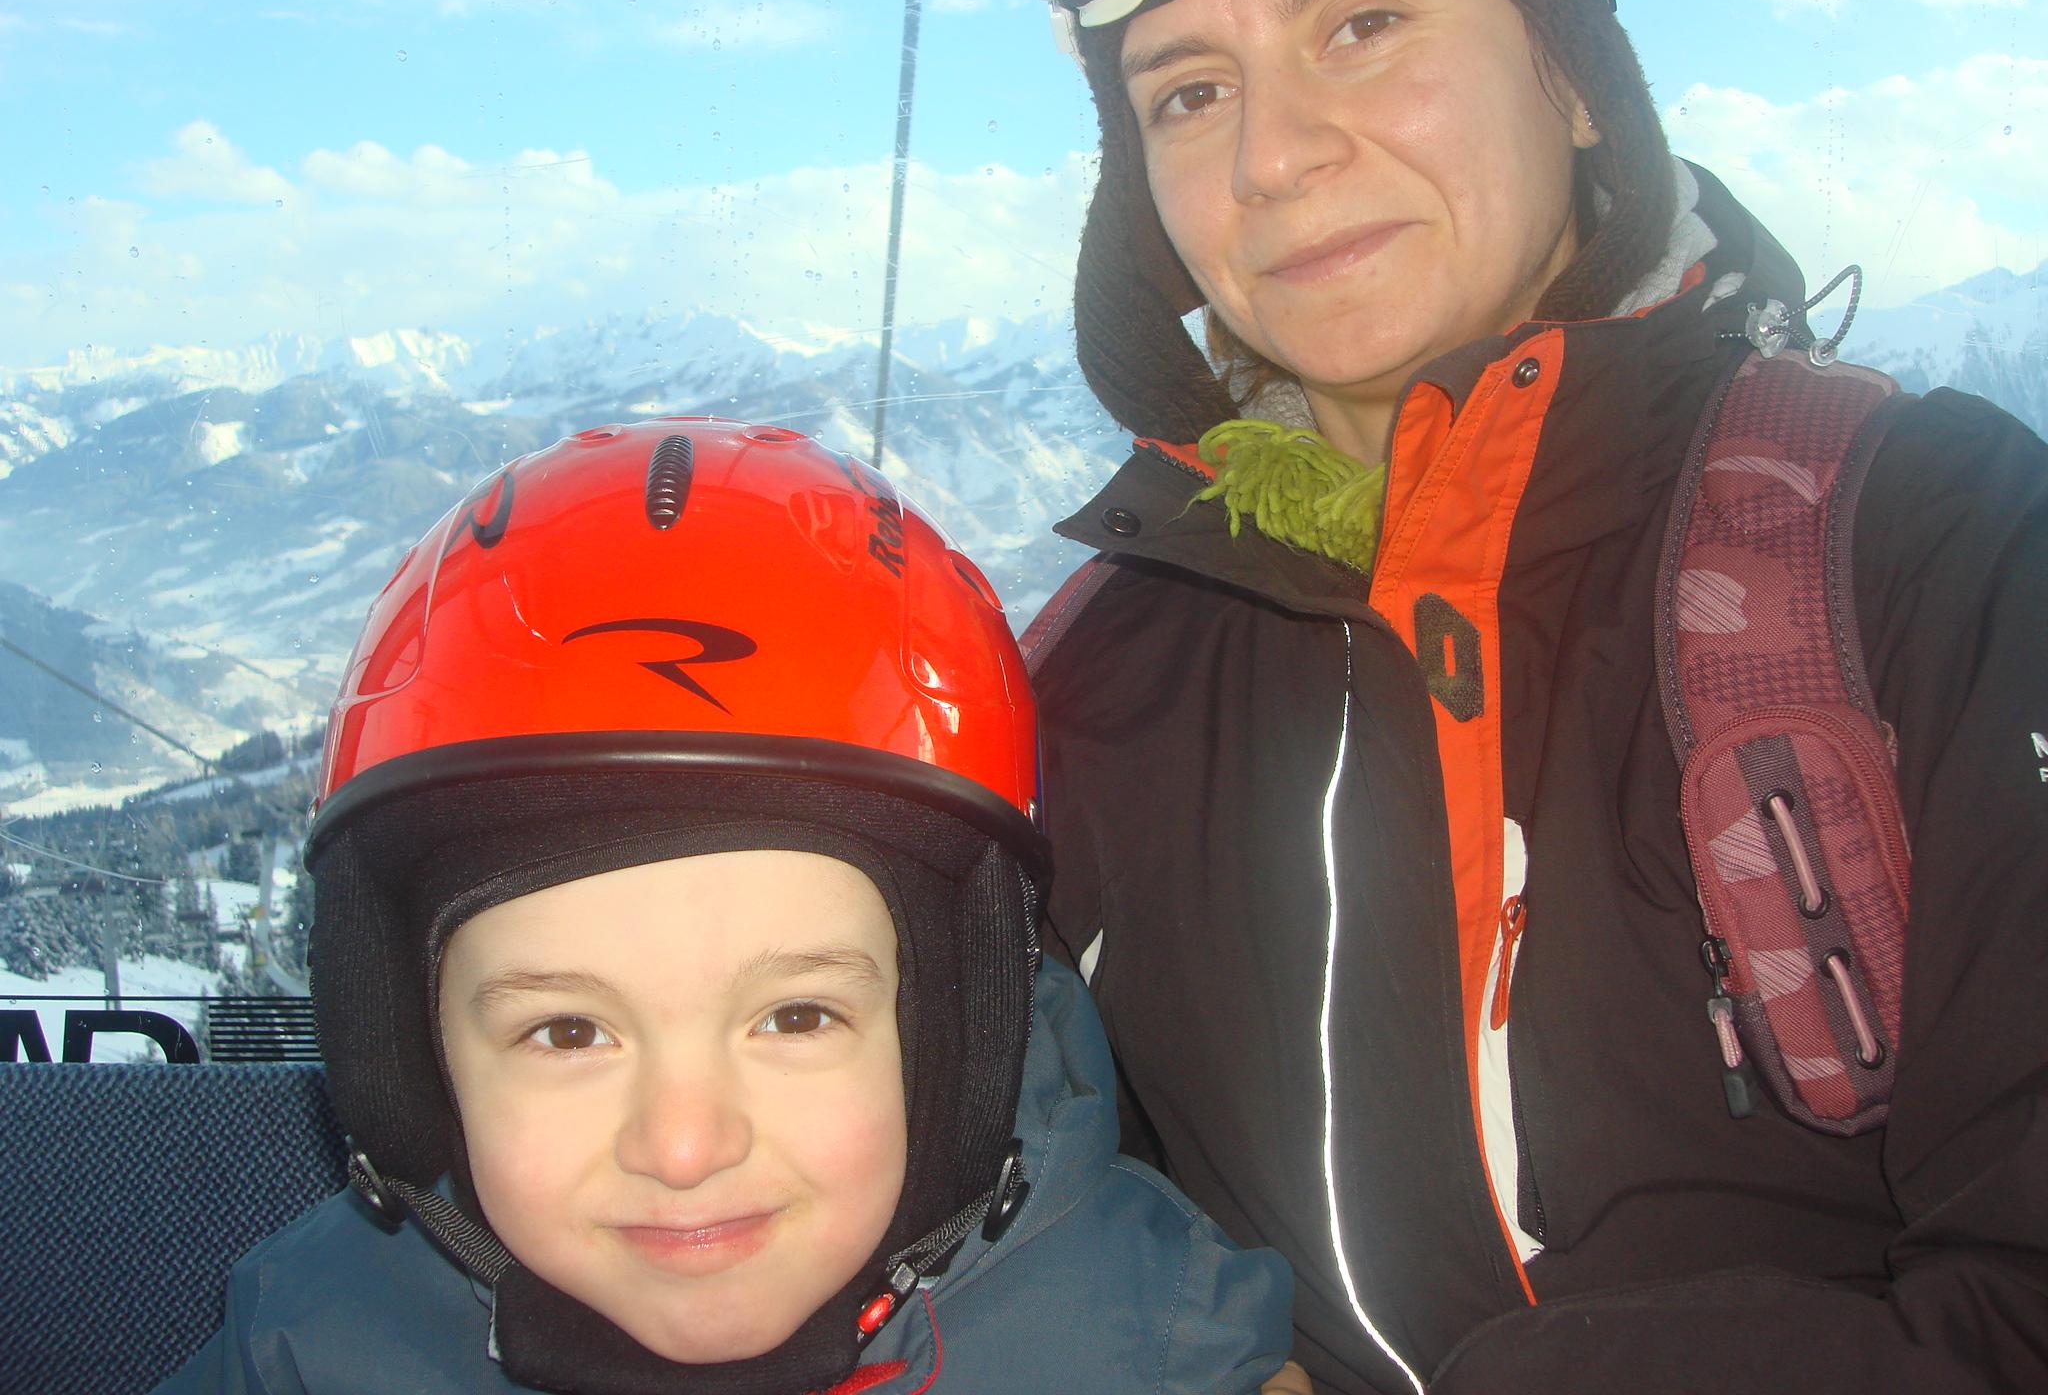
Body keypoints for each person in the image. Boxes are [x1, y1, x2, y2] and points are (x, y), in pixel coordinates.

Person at [1016, 0, 2048, 1393]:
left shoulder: (1928, 542)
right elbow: (1007, 1217)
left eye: (1362, 23)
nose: (1273, 156)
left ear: (1572, 78)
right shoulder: (1102, 674)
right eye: (1187, 92)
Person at [153, 417, 1293, 1395]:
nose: (685, 1149)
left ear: (962, 1038)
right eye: (567, 1032)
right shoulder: (307, 1348)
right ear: (410, 1060)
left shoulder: (1160, 1349)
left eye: (797, 1017)